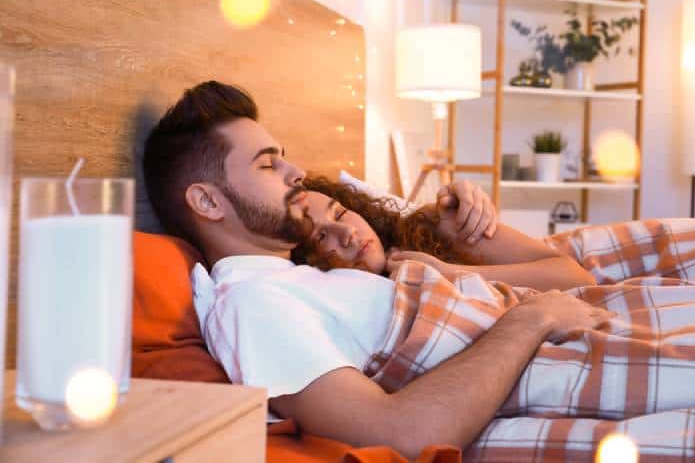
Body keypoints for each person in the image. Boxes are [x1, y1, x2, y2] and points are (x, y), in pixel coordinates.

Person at [142, 81, 613, 458]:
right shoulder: (252, 303)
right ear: (206, 201)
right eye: (269, 165)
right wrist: (533, 318)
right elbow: (400, 433)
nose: (297, 172)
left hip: (571, 329)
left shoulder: (307, 278)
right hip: (554, 348)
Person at [290, 176, 596, 290]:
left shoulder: (432, 227)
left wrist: (448, 274)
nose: (347, 233)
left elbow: (576, 277)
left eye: (341, 212)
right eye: (321, 236)